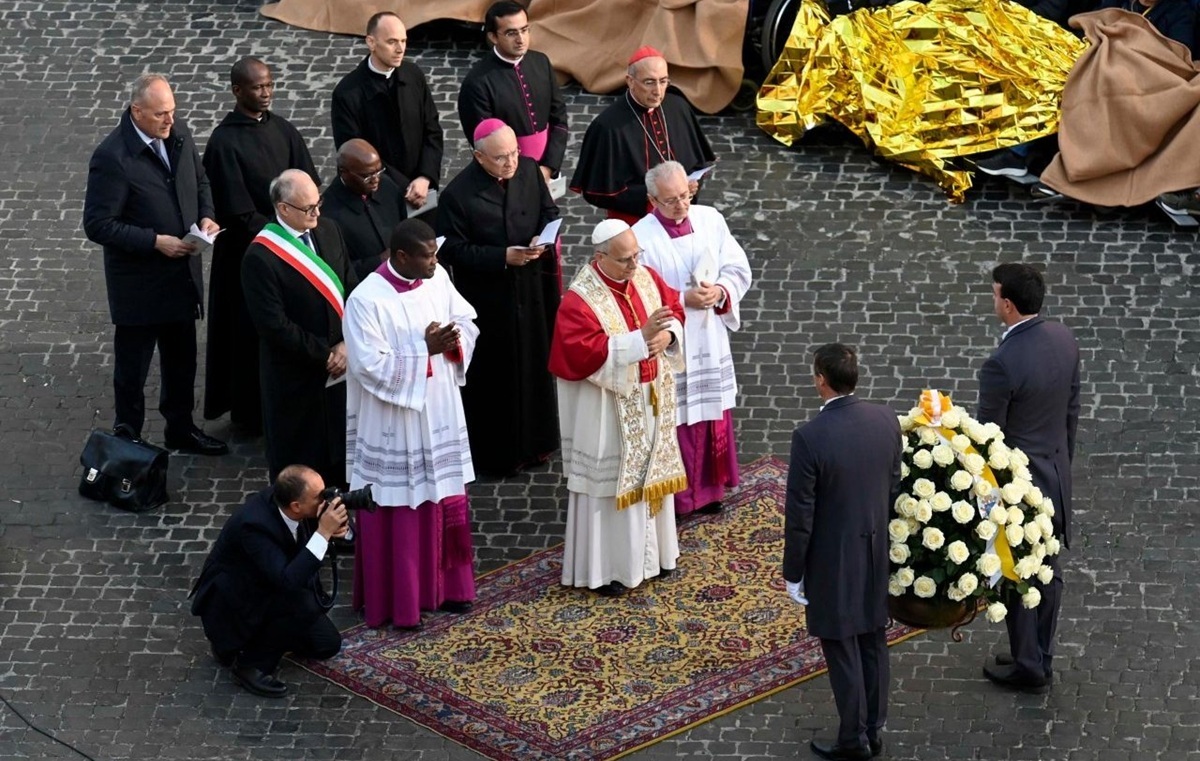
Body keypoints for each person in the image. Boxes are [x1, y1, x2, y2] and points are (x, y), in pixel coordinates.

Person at [343, 219, 480, 628]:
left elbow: (467, 320)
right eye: (427, 256)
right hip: (395, 419)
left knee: (443, 493)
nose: (435, 262)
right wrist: (424, 349)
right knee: (401, 503)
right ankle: (402, 601)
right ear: (401, 256)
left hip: (439, 408)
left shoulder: (438, 280)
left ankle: (450, 588)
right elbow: (368, 365)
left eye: (435, 254)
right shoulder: (366, 300)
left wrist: (453, 341)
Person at [83, 73, 227, 455]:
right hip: (140, 286)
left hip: (180, 276)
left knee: (182, 360)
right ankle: (127, 439)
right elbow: (98, 224)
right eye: (161, 113)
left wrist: (207, 215)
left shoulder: (178, 133)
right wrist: (154, 241)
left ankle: (181, 429)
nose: (170, 120)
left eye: (172, 111)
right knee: (133, 369)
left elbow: (200, 181)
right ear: (137, 111)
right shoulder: (112, 158)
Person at [548, 219, 687, 596]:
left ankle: (658, 557)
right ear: (600, 257)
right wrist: (640, 340)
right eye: (625, 259)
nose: (633, 265)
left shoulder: (646, 277)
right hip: (608, 409)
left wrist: (667, 335)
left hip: (651, 399)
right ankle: (609, 570)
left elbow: (674, 308)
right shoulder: (580, 300)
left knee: (652, 475)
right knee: (610, 490)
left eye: (636, 255)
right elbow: (581, 353)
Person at [782, 343, 902, 761]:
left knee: (841, 644)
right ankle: (873, 728)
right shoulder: (886, 419)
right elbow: (893, 486)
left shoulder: (809, 438)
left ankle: (853, 740)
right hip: (875, 550)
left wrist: (793, 572)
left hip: (832, 561)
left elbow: (800, 514)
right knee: (872, 638)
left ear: (821, 381)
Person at [977, 263, 1080, 694]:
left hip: (1020, 485)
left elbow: (990, 438)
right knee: (1049, 570)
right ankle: (1040, 654)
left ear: (1008, 304)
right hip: (1055, 473)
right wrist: (1062, 464)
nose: (993, 300)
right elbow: (1071, 411)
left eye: (995, 294)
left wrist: (991, 495)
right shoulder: (1064, 339)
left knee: (1019, 571)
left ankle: (1028, 665)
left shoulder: (1001, 364)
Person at [202, 57, 320, 433]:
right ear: (237, 91)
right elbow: (238, 212)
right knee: (246, 334)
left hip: (292, 248)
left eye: (269, 85)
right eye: (257, 87)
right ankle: (250, 411)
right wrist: (283, 237)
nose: (266, 93)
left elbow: (308, 182)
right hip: (248, 255)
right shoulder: (224, 142)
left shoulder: (284, 130)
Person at [437, 119, 561, 476]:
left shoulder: (528, 171)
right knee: (497, 377)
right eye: (501, 157)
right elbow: (452, 249)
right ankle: (501, 455)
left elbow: (549, 213)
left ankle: (537, 444)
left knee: (534, 366)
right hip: (490, 299)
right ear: (479, 157)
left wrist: (541, 240)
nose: (511, 162)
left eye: (514, 153)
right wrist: (501, 257)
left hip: (530, 290)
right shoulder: (457, 195)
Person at [633, 161, 752, 517]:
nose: (681, 205)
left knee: (711, 414)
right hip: (674, 343)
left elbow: (737, 267)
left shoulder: (711, 219)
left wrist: (720, 290)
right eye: (670, 200)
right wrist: (683, 299)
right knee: (677, 419)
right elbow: (639, 293)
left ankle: (711, 491)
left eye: (685, 196)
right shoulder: (641, 238)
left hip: (710, 337)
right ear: (653, 200)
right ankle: (679, 498)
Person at [241, 170, 359, 487]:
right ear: (283, 208)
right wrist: (326, 354)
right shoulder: (261, 257)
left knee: (341, 452)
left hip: (341, 364)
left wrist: (347, 343)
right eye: (308, 208)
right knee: (302, 461)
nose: (317, 213)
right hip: (296, 376)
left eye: (318, 204)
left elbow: (351, 288)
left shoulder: (329, 230)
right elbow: (274, 326)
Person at [190, 464, 348, 698]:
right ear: (296, 506)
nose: (325, 501)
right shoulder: (254, 526)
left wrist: (336, 531)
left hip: (268, 588)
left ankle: (275, 637)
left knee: (327, 644)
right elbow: (288, 581)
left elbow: (343, 537)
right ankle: (250, 664)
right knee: (305, 604)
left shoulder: (291, 503)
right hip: (237, 609)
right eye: (319, 497)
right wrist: (323, 533)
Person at [570, 46, 715, 224]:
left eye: (663, 81)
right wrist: (653, 194)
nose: (658, 91)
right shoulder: (608, 127)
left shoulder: (678, 107)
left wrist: (690, 186)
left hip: (683, 213)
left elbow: (698, 163)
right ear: (630, 81)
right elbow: (598, 193)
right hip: (636, 222)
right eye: (649, 82)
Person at [331, 11, 444, 213]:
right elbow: (354, 156)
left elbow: (432, 130)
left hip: (422, 191)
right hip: (379, 199)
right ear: (371, 42)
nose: (400, 49)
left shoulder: (413, 75)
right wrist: (405, 187)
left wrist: (425, 177)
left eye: (403, 41)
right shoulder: (347, 94)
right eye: (392, 42)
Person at [457, 1, 569, 184]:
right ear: (493, 37)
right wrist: (523, 176)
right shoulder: (477, 83)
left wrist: (549, 167)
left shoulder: (541, 62)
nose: (520, 39)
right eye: (511, 33)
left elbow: (559, 118)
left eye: (524, 30)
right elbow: (486, 143)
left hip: (546, 169)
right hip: (507, 177)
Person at [322, 138, 409, 280]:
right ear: (344, 172)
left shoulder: (388, 186)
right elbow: (337, 269)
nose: (376, 180)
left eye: (379, 171)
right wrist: (378, 261)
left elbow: (403, 224)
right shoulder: (328, 214)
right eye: (367, 176)